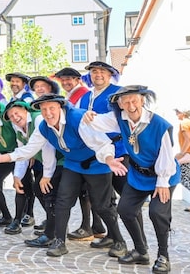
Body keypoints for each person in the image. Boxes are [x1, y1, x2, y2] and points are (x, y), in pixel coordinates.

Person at [0, 94, 128, 259]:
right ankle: (59, 241)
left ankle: (119, 241)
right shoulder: (44, 127)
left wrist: (109, 160)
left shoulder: (77, 118)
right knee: (62, 201)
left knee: (102, 205)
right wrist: (3, 158)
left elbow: (102, 143)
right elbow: (29, 149)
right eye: (44, 109)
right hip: (72, 164)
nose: (48, 113)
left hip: (96, 163)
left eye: (51, 108)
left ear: (60, 107)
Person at [83, 85, 180, 273]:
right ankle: (141, 251)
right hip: (138, 175)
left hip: (163, 175)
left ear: (142, 100)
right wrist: (89, 117)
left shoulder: (159, 124)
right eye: (125, 101)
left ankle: (163, 256)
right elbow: (98, 122)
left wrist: (162, 182)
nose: (131, 105)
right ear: (120, 104)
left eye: (134, 100)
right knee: (125, 210)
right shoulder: (120, 118)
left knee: (157, 212)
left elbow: (167, 156)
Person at [72, 61, 124, 243]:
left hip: (118, 152)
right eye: (94, 72)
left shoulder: (119, 92)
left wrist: (96, 120)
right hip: (94, 154)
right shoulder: (86, 97)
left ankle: (130, 241)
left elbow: (121, 118)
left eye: (102, 71)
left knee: (124, 196)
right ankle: (109, 234)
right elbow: (78, 120)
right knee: (102, 197)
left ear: (110, 75)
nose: (98, 75)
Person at [1, 100, 58, 240]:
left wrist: (47, 174)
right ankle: (54, 223)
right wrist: (17, 176)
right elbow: (22, 151)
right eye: (11, 116)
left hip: (59, 159)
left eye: (16, 113)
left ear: (25, 110)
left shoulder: (38, 119)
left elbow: (48, 148)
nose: (15, 117)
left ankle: (55, 226)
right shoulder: (17, 127)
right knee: (39, 189)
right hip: (46, 162)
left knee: (45, 190)